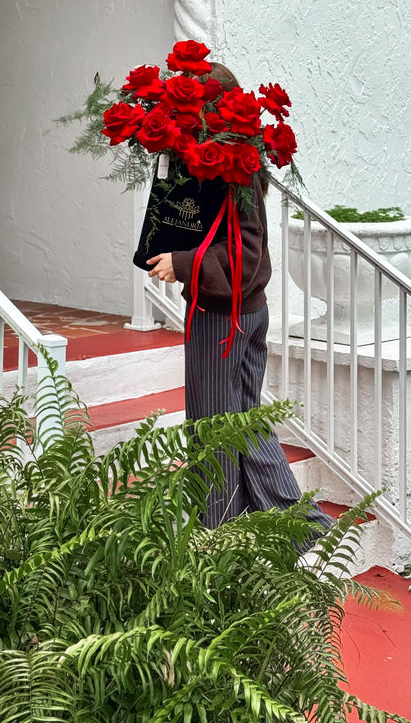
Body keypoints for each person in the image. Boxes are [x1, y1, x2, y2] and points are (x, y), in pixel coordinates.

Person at [146, 63, 333, 540]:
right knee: (244, 423)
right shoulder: (225, 167)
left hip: (223, 319)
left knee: (212, 430)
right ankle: (297, 525)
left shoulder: (235, 172)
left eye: (188, 109)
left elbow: (245, 255)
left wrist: (183, 264)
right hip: (242, 313)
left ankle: (220, 535)